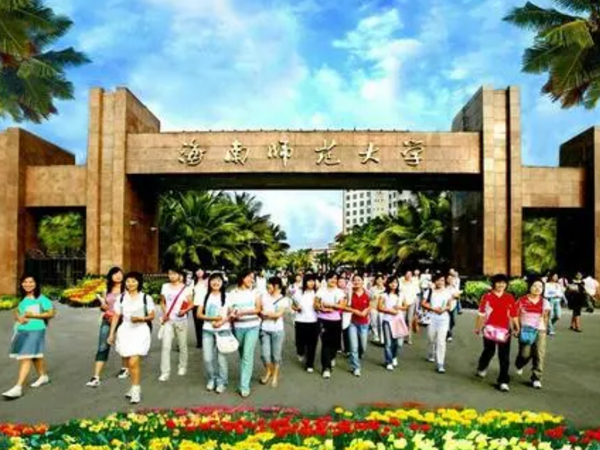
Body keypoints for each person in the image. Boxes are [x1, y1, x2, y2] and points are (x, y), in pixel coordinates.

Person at [2, 274, 55, 399]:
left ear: (36, 284)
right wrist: (19, 317)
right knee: (34, 355)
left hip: (35, 330)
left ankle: (18, 388)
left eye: (31, 282)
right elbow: (17, 312)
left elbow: (50, 313)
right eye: (25, 282)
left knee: (25, 357)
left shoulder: (41, 298)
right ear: (21, 284)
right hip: (21, 330)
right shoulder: (23, 298)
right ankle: (43, 376)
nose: (28, 284)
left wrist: (33, 316)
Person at [107, 272, 155, 404]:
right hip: (125, 330)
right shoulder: (121, 298)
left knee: (134, 362)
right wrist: (111, 333)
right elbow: (116, 316)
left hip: (140, 330)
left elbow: (152, 315)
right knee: (129, 362)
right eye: (128, 281)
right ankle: (134, 386)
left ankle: (135, 390)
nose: (130, 284)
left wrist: (141, 318)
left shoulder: (146, 298)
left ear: (139, 282)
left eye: (134, 281)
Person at [474, 274, 518, 392]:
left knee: (504, 356)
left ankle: (503, 381)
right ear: (494, 284)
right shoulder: (487, 297)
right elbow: (481, 314)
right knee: (489, 351)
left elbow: (514, 314)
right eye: (498, 282)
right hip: (489, 328)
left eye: (503, 283)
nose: (501, 285)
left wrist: (516, 327)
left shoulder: (509, 297)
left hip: (504, 330)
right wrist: (478, 327)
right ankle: (482, 366)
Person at [86, 267, 129, 387]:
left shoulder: (127, 289)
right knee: (103, 346)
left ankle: (125, 368)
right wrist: (103, 306)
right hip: (108, 319)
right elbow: (104, 307)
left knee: (123, 345)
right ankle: (96, 377)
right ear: (110, 276)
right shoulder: (107, 290)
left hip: (123, 321)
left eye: (120, 274)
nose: (118, 276)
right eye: (115, 274)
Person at [228, 270, 261, 398]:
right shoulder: (233, 293)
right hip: (238, 327)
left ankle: (244, 386)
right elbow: (230, 308)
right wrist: (233, 313)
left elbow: (258, 309)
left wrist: (243, 312)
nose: (251, 280)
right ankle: (245, 375)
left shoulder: (255, 292)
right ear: (242, 278)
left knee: (247, 355)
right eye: (249, 277)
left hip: (253, 326)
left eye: (253, 278)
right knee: (243, 355)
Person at [196, 272, 230, 394]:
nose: (216, 283)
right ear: (209, 282)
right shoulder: (204, 296)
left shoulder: (227, 296)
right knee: (207, 358)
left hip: (223, 331)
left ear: (222, 283)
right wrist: (213, 319)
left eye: (218, 280)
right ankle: (212, 378)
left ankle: (222, 382)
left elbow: (231, 314)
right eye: (213, 280)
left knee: (221, 359)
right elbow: (199, 314)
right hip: (208, 331)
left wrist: (221, 322)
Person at [514, 278, 551, 389]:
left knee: (539, 354)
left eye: (540, 286)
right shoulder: (521, 300)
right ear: (530, 287)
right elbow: (516, 315)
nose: (537, 288)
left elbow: (546, 316)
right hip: (525, 330)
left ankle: (536, 378)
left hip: (539, 330)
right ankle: (519, 364)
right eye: (535, 286)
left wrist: (545, 328)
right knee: (525, 354)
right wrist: (516, 328)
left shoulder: (545, 302)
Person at [158, 268, 193, 382]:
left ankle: (182, 366)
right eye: (170, 273)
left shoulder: (186, 288)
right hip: (168, 321)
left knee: (182, 345)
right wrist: (165, 313)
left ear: (179, 275)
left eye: (174, 274)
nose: (172, 276)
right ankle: (165, 372)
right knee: (165, 346)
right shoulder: (165, 286)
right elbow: (162, 302)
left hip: (181, 320)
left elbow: (191, 304)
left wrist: (184, 311)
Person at [315, 271, 346, 379]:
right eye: (331, 278)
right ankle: (326, 368)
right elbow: (315, 304)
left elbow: (342, 306)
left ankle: (332, 357)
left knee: (335, 343)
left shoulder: (340, 292)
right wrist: (321, 308)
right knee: (326, 343)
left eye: (335, 278)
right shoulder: (321, 291)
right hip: (323, 319)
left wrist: (331, 305)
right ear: (326, 279)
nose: (333, 280)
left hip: (336, 320)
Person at [421, 273, 455, 373]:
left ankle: (440, 363)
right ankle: (431, 352)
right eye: (438, 280)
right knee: (431, 337)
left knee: (441, 341)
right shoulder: (429, 291)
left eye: (442, 280)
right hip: (432, 317)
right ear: (434, 281)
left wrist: (444, 309)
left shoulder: (448, 292)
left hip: (444, 318)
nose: (440, 282)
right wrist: (433, 308)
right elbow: (423, 303)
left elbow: (449, 305)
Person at [259, 277, 289, 387]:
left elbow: (278, 314)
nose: (268, 288)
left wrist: (266, 314)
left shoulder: (283, 299)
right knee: (265, 355)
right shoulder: (263, 296)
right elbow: (259, 310)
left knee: (276, 356)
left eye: (269, 286)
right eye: (267, 286)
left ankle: (275, 375)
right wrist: (265, 314)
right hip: (264, 330)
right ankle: (269, 371)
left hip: (277, 331)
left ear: (276, 286)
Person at [343, 273, 371, 377]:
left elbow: (371, 305)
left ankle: (358, 355)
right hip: (353, 323)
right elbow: (345, 307)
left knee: (363, 347)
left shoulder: (367, 293)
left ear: (363, 282)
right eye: (354, 280)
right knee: (354, 347)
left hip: (364, 324)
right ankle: (356, 367)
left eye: (359, 280)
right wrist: (354, 311)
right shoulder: (349, 293)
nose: (356, 282)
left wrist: (366, 311)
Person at [291, 273, 319, 373]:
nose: (311, 283)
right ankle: (300, 352)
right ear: (305, 282)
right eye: (309, 281)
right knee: (300, 342)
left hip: (314, 321)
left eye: (313, 281)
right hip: (300, 320)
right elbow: (292, 304)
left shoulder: (317, 293)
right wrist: (296, 308)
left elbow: (319, 305)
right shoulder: (298, 293)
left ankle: (309, 364)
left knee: (312, 344)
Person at [378, 276, 407, 371]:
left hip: (398, 320)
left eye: (395, 282)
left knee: (397, 342)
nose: (394, 284)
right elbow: (379, 307)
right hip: (387, 320)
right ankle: (388, 361)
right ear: (388, 284)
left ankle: (394, 356)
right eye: (391, 282)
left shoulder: (401, 295)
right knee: (388, 342)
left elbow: (405, 306)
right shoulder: (384, 295)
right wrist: (389, 311)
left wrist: (399, 307)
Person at [399, 270, 420, 345]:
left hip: (412, 303)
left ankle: (409, 338)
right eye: (407, 274)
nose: (408, 275)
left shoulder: (414, 283)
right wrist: (403, 302)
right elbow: (400, 293)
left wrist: (417, 308)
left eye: (410, 274)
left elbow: (416, 295)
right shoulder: (401, 283)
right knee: (402, 320)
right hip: (403, 303)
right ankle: (401, 337)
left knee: (409, 320)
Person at [192, 268, 208, 348]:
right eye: (197, 271)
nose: (198, 272)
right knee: (197, 324)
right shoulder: (194, 281)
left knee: (205, 323)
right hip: (195, 305)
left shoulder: (207, 280)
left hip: (205, 305)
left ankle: (207, 340)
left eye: (200, 270)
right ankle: (199, 342)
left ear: (204, 271)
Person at [369, 273, 385, 344]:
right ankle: (375, 336)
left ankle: (382, 338)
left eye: (381, 279)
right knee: (374, 322)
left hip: (382, 308)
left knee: (381, 323)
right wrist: (373, 296)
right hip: (373, 307)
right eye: (378, 279)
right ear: (376, 280)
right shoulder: (372, 289)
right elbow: (369, 297)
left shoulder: (385, 289)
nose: (379, 281)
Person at [445, 273, 462, 342]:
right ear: (446, 280)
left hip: (453, 306)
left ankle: (449, 330)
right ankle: (449, 334)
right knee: (447, 321)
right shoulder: (444, 287)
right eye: (449, 279)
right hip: (446, 307)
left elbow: (458, 296)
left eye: (451, 279)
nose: (450, 280)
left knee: (452, 322)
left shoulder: (454, 287)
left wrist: (455, 296)